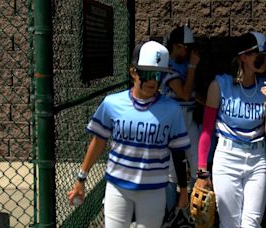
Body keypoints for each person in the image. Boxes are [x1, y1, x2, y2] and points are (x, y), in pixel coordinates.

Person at [67, 41, 191, 228]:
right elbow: (98, 142)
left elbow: (178, 153)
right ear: (133, 72)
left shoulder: (171, 109)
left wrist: (183, 191)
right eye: (148, 73)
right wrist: (81, 179)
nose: (153, 81)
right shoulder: (112, 103)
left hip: (154, 190)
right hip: (118, 188)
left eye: (158, 75)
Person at [195, 31, 266, 228]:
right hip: (227, 157)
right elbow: (207, 130)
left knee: (252, 224)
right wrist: (201, 172)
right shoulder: (220, 85)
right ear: (244, 57)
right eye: (261, 55)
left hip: (257, 159)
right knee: (229, 224)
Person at [161, 25, 201, 212]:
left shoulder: (184, 65)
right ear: (176, 46)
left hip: (189, 120)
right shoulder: (168, 66)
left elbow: (192, 94)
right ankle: (170, 211)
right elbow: (184, 94)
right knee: (171, 172)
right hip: (172, 125)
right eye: (185, 47)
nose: (188, 51)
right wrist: (193, 66)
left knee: (198, 164)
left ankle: (195, 210)